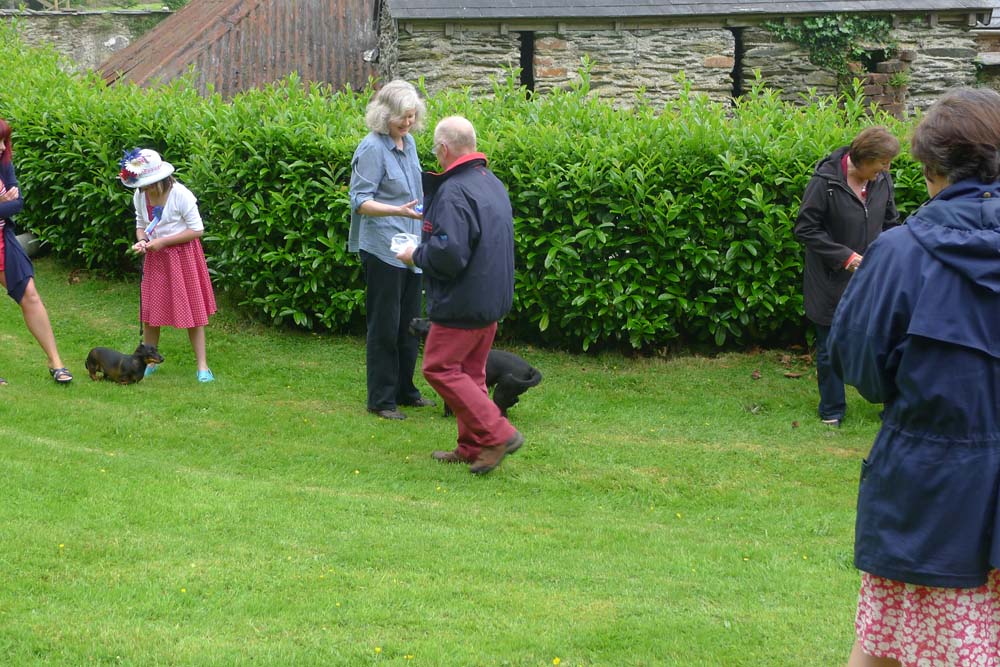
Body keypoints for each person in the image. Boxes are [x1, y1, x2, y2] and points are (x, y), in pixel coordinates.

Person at [829, 88, 1000, 667]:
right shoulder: (901, 251)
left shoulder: (900, 253)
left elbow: (862, 366)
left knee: (887, 643)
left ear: (930, 170)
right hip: (934, 483)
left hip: (928, 488)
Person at [397, 115, 523, 475]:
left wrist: (415, 254)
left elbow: (449, 255)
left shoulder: (454, 191)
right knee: (470, 374)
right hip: (490, 299)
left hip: (463, 302)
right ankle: (471, 447)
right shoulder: (490, 182)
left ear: (443, 149)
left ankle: (499, 433)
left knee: (439, 368)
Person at [794, 126, 900, 427]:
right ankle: (832, 411)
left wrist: (892, 256)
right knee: (830, 347)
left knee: (883, 342)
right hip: (830, 280)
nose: (886, 169)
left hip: (872, 278)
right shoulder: (825, 182)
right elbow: (805, 228)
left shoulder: (881, 180)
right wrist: (845, 257)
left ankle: (892, 408)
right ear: (863, 159)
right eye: (882, 163)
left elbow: (891, 222)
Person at [349, 79, 436, 420]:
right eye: (402, 117)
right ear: (384, 114)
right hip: (383, 249)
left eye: (412, 116)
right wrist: (397, 210)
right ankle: (381, 399)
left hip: (412, 247)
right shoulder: (372, 148)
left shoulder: (408, 142)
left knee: (409, 324)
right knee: (385, 325)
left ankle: (405, 390)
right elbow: (360, 202)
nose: (408, 122)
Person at [119, 148, 217, 382]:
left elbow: (197, 230)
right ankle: (149, 363)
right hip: (156, 258)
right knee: (151, 314)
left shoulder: (181, 195)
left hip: (183, 258)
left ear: (160, 179)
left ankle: (202, 366)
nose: (143, 189)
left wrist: (163, 241)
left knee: (193, 313)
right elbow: (141, 224)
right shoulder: (140, 196)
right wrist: (143, 240)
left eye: (147, 184)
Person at [0, 118, 73, 385]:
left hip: (3, 239)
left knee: (29, 294)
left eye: (5, 141)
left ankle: (56, 362)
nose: (2, 147)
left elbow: (17, 203)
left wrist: (4, 203)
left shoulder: (4, 164)